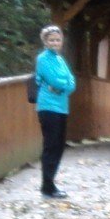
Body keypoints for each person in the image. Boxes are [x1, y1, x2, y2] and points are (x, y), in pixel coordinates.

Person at [33, 25, 76, 199]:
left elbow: (72, 82)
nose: (55, 43)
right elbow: (53, 80)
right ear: (45, 41)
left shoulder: (60, 59)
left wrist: (63, 86)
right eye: (51, 40)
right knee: (51, 146)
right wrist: (63, 85)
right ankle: (47, 187)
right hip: (48, 106)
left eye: (58, 40)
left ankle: (50, 183)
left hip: (61, 106)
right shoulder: (43, 59)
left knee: (59, 146)